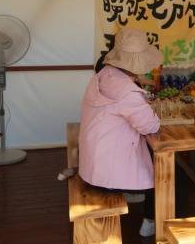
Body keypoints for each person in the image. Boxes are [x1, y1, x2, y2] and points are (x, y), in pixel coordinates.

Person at [79, 27, 185, 237]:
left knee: (157, 159)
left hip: (93, 162)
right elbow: (150, 126)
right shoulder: (127, 91)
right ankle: (161, 226)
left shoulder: (104, 74)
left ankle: (150, 215)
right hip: (108, 172)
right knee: (172, 173)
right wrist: (146, 105)